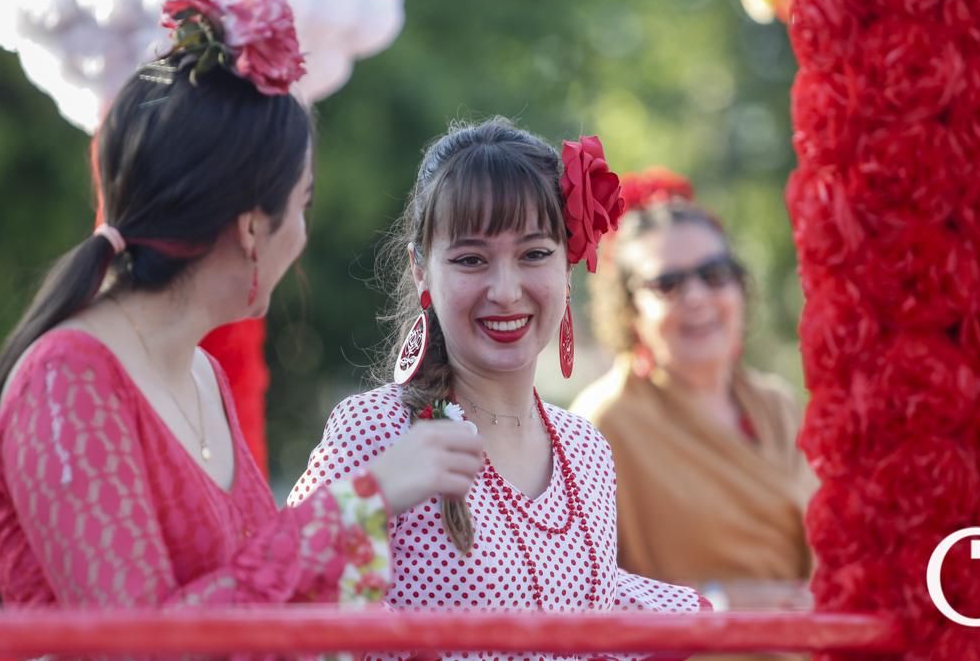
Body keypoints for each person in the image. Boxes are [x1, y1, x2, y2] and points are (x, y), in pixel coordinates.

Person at [0, 0, 482, 630]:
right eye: (302, 205)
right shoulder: (68, 378)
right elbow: (141, 643)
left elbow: (253, 593)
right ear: (252, 226)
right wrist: (362, 503)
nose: (304, 236)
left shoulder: (200, 371)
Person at [289, 118, 706, 660]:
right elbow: (294, 599)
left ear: (568, 262)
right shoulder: (377, 430)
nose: (505, 291)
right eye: (470, 260)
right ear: (422, 271)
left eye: (534, 253)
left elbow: (592, 611)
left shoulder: (587, 450)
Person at [569, 168, 815, 632]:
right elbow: (577, 596)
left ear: (740, 288)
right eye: (668, 284)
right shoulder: (603, 423)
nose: (697, 297)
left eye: (714, 275)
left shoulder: (777, 405)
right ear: (630, 311)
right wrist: (718, 602)